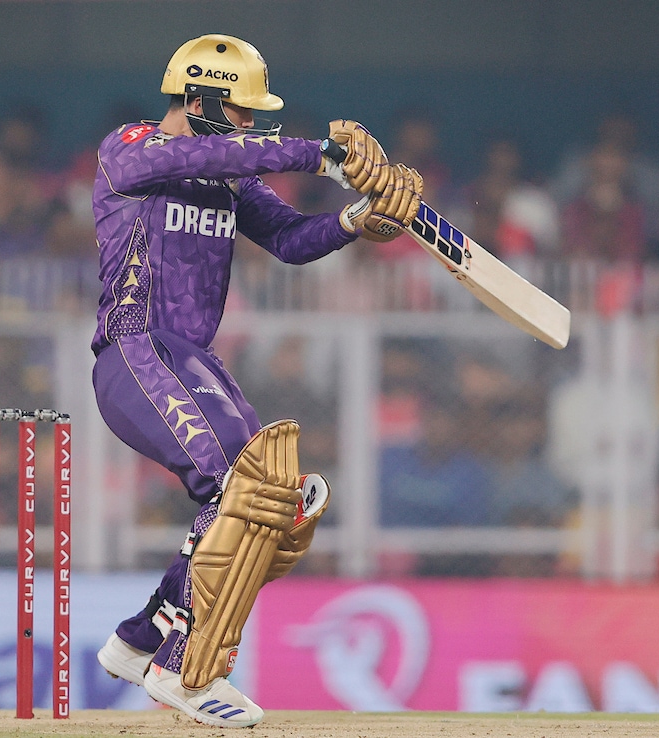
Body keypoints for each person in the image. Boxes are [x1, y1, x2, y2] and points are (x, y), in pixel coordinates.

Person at [89, 35, 423, 727]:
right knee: (241, 490)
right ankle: (182, 668)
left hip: (191, 360)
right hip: (135, 351)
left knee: (271, 498)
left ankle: (140, 639)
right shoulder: (130, 148)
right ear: (199, 98)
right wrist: (323, 156)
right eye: (241, 110)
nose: (248, 123)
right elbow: (207, 155)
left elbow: (291, 240)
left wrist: (356, 220)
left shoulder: (230, 177)